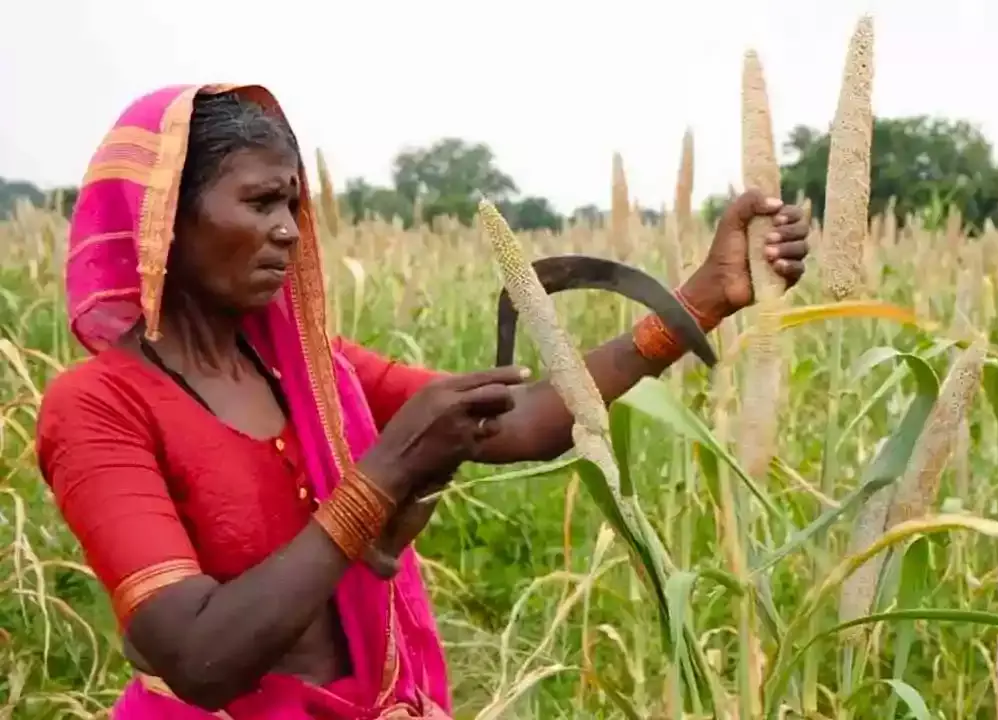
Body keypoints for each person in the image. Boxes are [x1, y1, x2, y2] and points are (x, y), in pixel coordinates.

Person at [35, 83, 811, 719]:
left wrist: (703, 300)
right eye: (260, 203)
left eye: (293, 209)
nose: (287, 233)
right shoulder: (101, 407)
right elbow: (201, 658)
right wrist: (385, 475)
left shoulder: (309, 369)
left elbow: (531, 421)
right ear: (165, 220)